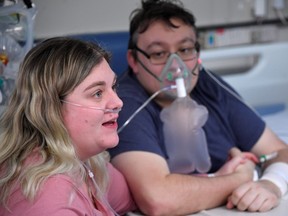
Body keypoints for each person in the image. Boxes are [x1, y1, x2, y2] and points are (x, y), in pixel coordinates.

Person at [108, 0, 288, 215]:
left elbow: (279, 152)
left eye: (184, 50)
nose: (175, 66)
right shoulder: (125, 103)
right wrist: (241, 178)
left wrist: (271, 184)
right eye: (158, 53)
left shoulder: (208, 86)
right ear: (134, 60)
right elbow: (159, 199)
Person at [0, 37, 136, 216]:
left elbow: (136, 197)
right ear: (51, 108)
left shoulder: (88, 163)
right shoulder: (48, 199)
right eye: (97, 93)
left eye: (113, 86)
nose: (118, 102)